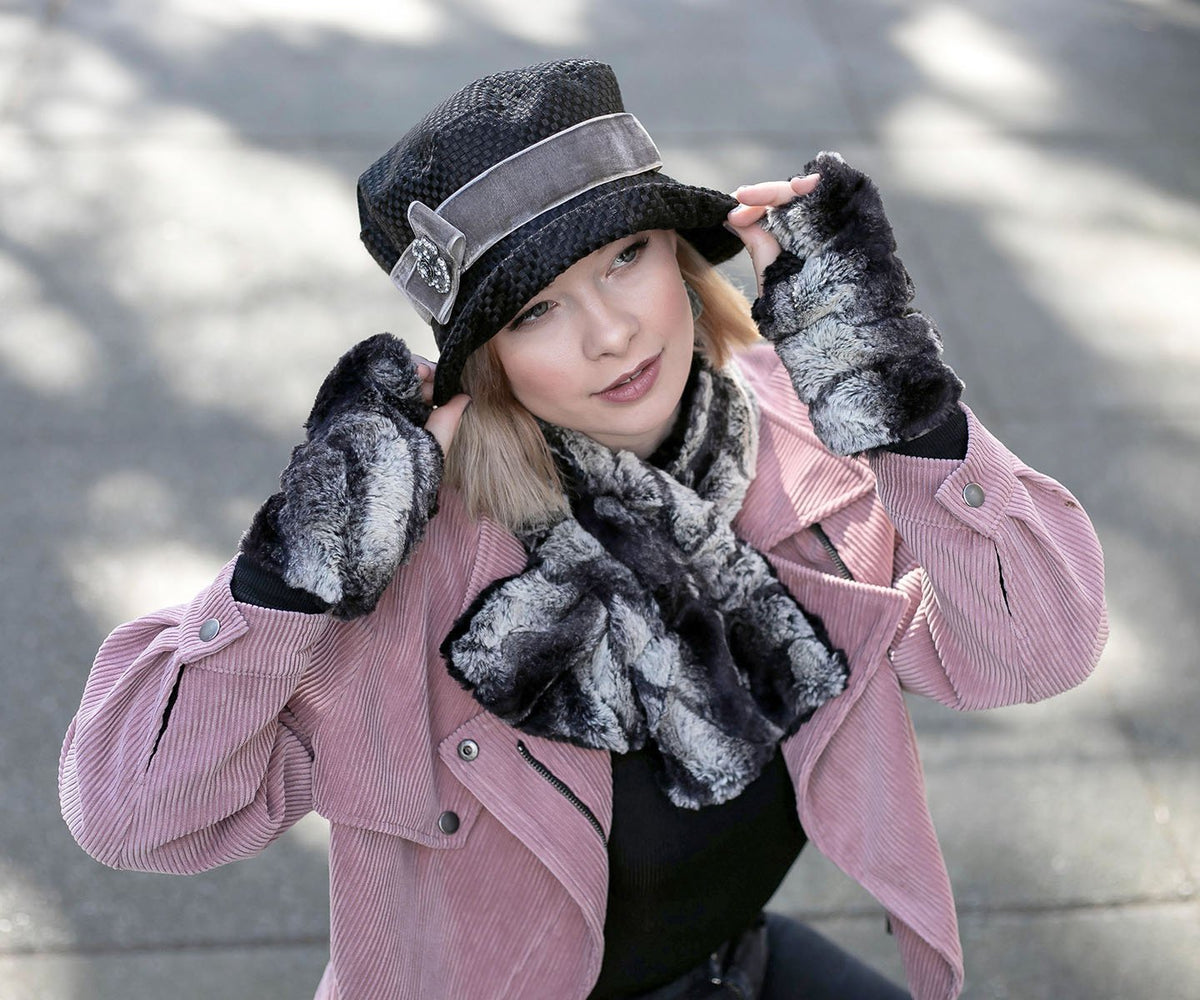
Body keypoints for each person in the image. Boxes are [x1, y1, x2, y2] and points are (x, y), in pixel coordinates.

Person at [58, 58, 1108, 1000]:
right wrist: (288, 573)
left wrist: (906, 406)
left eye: (625, 257)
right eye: (534, 310)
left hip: (730, 967)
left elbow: (1036, 648)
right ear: (486, 359)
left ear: (681, 259)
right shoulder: (408, 563)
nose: (612, 332)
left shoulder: (803, 426)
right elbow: (131, 812)